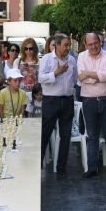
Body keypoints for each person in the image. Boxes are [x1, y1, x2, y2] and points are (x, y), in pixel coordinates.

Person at [78, 33, 106, 180]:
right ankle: (92, 168)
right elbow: (81, 77)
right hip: (89, 102)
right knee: (92, 137)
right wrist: (99, 77)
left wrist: (89, 75)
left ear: (100, 42)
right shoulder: (81, 57)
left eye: (96, 43)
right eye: (90, 44)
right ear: (85, 45)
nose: (94, 46)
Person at [39, 34, 76, 175]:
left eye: (69, 45)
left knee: (66, 136)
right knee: (45, 134)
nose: (68, 48)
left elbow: (74, 78)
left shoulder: (72, 60)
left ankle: (61, 168)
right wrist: (56, 73)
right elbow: (41, 78)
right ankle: (38, 166)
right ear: (57, 45)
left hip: (67, 101)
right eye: (65, 45)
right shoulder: (47, 59)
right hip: (51, 101)